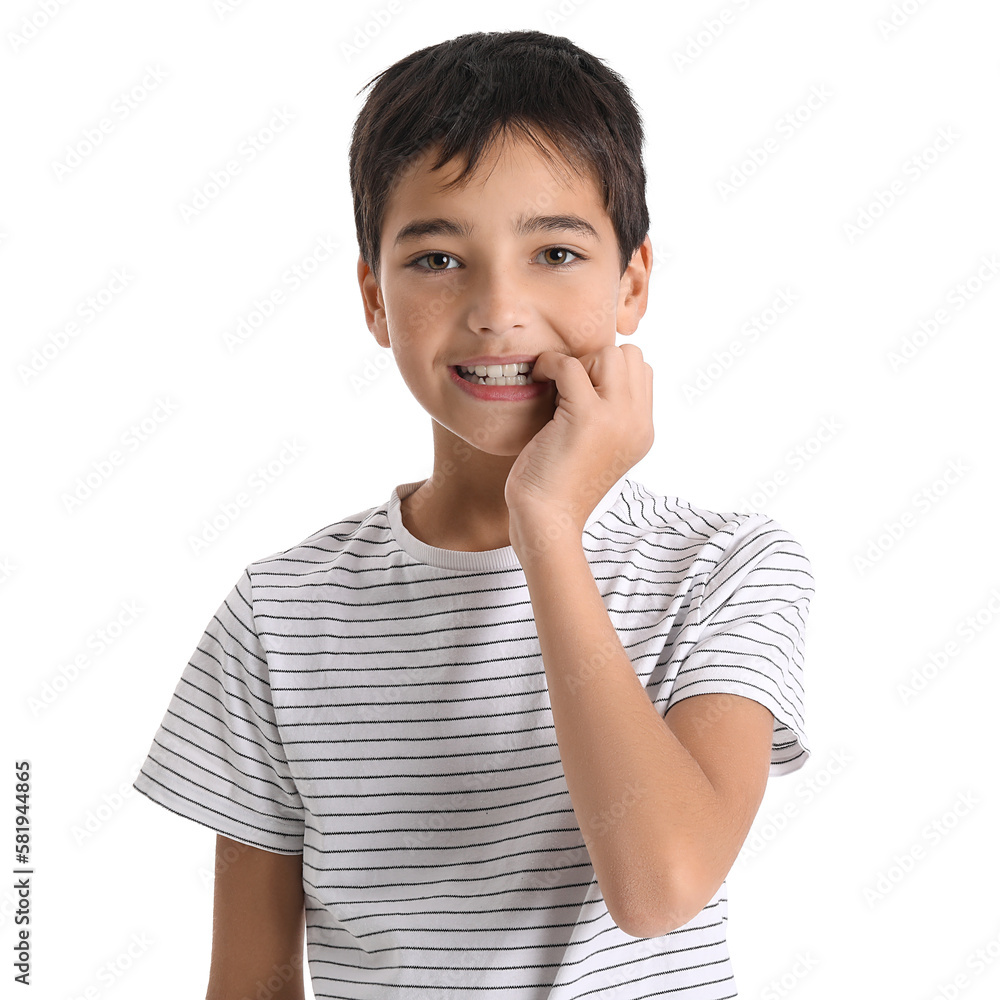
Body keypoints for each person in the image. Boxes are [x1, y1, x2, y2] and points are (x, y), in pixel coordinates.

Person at [133, 29, 814, 999]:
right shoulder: (278, 616)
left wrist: (546, 523)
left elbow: (659, 884)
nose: (499, 307)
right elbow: (248, 981)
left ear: (632, 283)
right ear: (373, 296)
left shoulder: (725, 569)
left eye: (554, 251)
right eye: (439, 258)